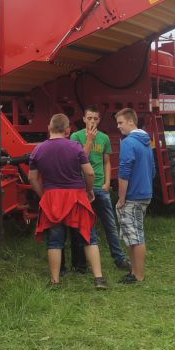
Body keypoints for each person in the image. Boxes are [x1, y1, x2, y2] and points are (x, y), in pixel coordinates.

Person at [29, 113, 108, 289]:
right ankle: (99, 278)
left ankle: (55, 280)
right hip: (76, 197)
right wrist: (89, 191)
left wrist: (44, 196)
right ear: (67, 130)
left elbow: (32, 178)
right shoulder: (75, 147)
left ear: (49, 128)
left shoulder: (38, 150)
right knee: (89, 237)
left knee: (55, 241)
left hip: (53, 198)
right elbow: (89, 173)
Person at [70, 106, 132, 272]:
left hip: (100, 188)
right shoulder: (75, 137)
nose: (92, 121)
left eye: (95, 119)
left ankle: (119, 259)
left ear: (99, 120)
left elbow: (106, 162)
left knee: (110, 225)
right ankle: (82, 264)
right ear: (84, 119)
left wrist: (106, 183)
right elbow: (79, 159)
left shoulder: (104, 138)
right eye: (89, 118)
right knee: (83, 227)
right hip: (82, 188)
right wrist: (89, 140)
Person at [115, 108, 154, 284]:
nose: (118, 127)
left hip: (133, 195)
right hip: (145, 193)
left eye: (120, 122)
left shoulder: (128, 142)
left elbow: (124, 173)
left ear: (131, 121)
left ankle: (138, 275)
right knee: (133, 234)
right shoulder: (146, 141)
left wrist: (121, 198)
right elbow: (152, 169)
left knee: (136, 236)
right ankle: (134, 271)